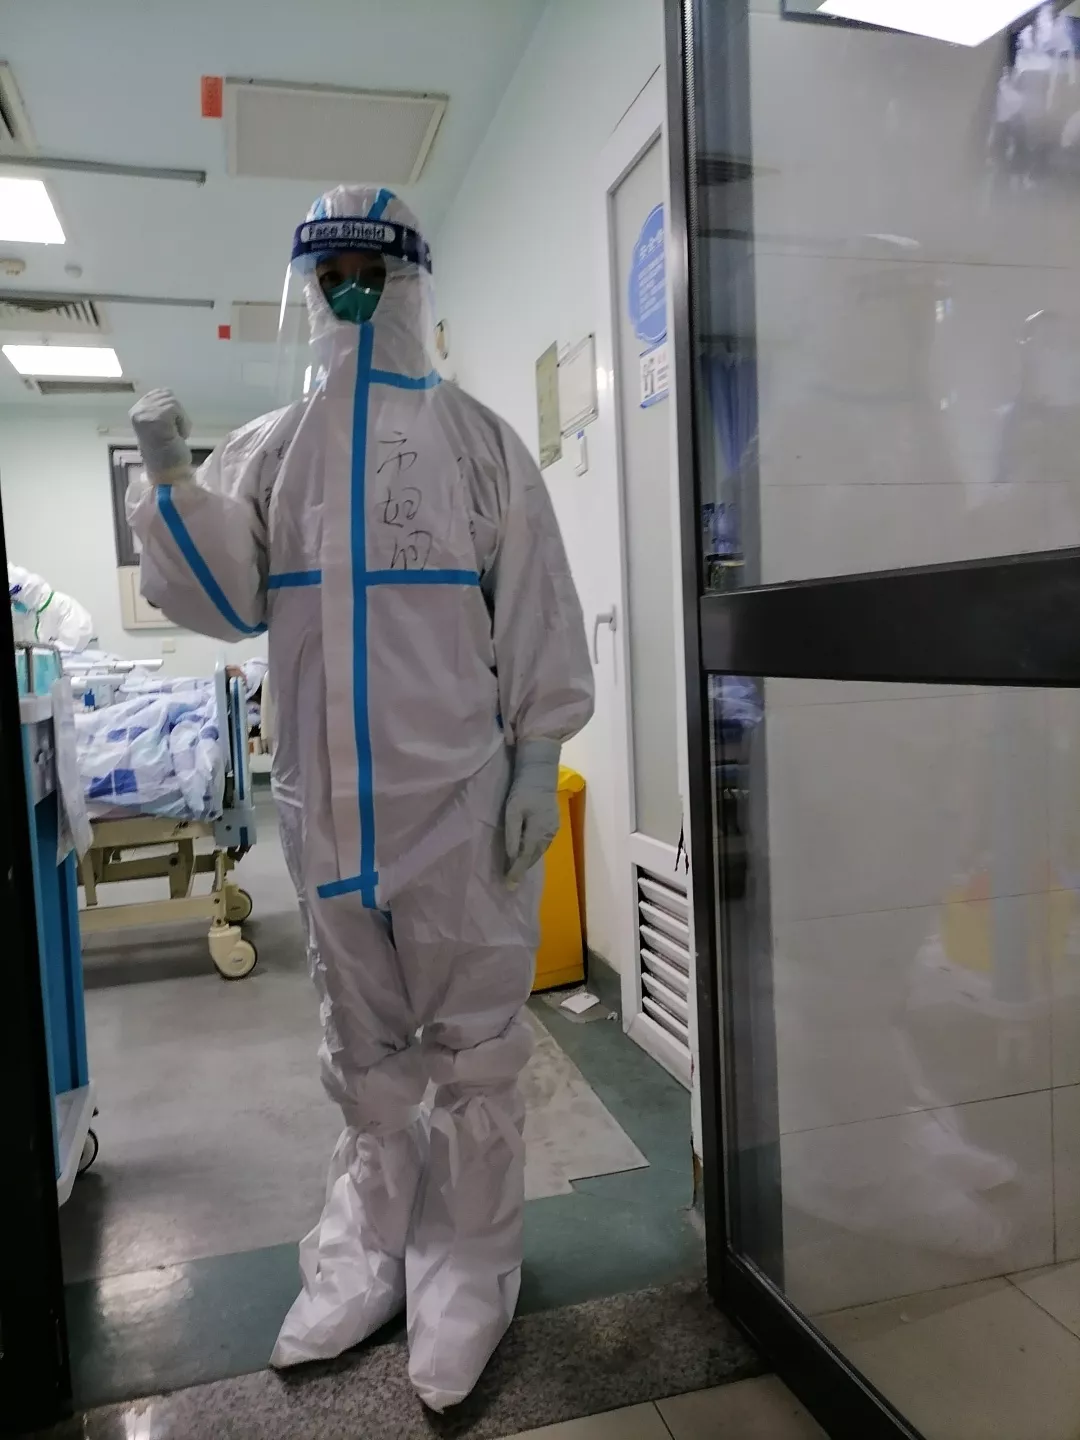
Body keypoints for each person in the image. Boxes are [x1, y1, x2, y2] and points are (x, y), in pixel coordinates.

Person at [126, 185, 594, 1411]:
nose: (346, 292)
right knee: (363, 1047)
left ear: (408, 281)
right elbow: (224, 600)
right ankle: (364, 1258)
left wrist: (538, 757)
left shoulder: (480, 442)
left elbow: (537, 607)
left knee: (474, 1049)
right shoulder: (272, 450)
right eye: (326, 273)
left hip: (457, 806)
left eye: (365, 271)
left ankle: (470, 1270)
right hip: (327, 811)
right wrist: (173, 484)